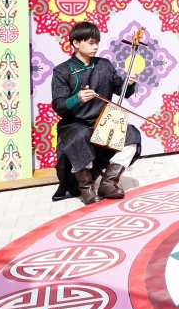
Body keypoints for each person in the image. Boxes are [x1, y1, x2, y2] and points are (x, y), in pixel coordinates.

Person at [51, 22, 140, 205]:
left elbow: (121, 90)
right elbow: (59, 106)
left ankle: (108, 182)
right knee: (79, 136)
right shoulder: (62, 71)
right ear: (76, 43)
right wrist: (77, 98)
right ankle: (86, 188)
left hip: (102, 121)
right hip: (74, 123)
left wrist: (129, 82)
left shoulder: (104, 65)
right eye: (91, 43)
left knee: (132, 134)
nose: (95, 47)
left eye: (97, 43)